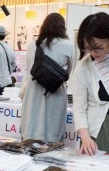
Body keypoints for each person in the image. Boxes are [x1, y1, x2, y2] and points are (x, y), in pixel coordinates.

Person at [69, 12, 109, 155]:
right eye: (88, 48)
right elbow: (79, 107)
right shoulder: (83, 68)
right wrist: (86, 138)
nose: (93, 53)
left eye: (98, 47)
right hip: (99, 131)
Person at [19, 13, 75, 142]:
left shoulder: (33, 45)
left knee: (33, 127)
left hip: (33, 92)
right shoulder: (68, 45)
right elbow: (69, 73)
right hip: (55, 92)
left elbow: (29, 70)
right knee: (53, 130)